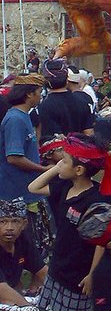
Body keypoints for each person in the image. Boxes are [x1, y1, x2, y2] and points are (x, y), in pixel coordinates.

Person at [30, 134, 111, 311]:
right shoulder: (64, 188)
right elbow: (34, 187)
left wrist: (92, 274)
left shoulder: (95, 200)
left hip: (79, 275)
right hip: (58, 268)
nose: (59, 163)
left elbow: (101, 241)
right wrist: (56, 167)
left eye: (64, 160)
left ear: (79, 170)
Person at [0, 73, 46, 230]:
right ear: (29, 93)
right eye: (39, 92)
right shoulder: (15, 119)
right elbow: (14, 157)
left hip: (25, 189)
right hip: (16, 192)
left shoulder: (23, 116)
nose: (40, 96)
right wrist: (44, 170)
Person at [0, 197, 47, 306]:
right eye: (3, 221)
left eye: (15, 221)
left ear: (24, 224)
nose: (9, 228)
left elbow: (42, 272)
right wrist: (30, 310)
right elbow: (2, 290)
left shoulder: (23, 239)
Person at [39, 59, 93, 140]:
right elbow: (89, 134)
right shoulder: (82, 101)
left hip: (59, 150)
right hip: (80, 150)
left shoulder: (44, 107)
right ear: (66, 79)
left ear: (46, 80)